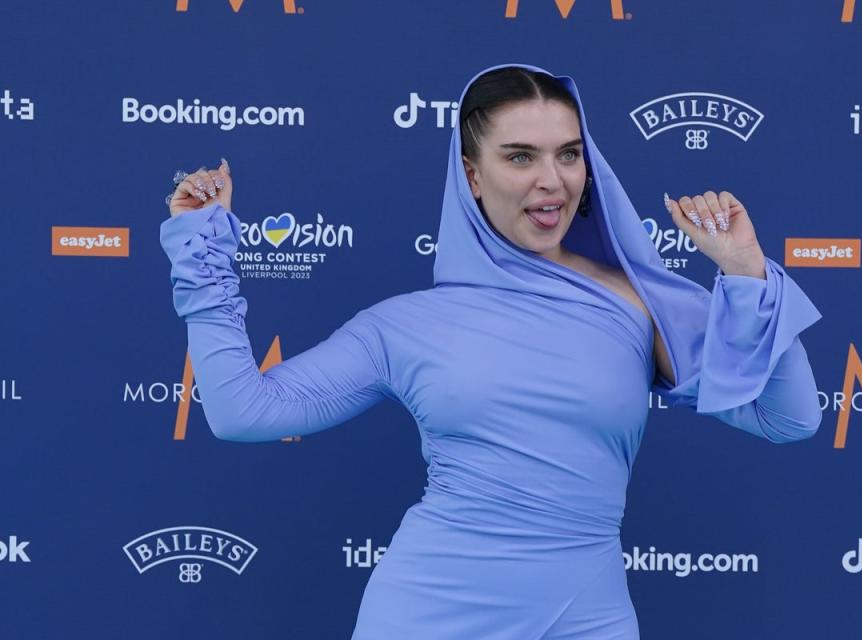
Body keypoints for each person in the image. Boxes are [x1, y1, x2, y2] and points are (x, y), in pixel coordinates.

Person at [160, 63, 822, 639]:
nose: (552, 181)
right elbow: (242, 412)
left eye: (568, 154)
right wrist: (203, 260)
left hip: (588, 617)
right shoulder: (403, 326)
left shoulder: (635, 304)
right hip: (429, 615)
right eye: (520, 156)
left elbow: (789, 418)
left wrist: (746, 271)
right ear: (472, 176)